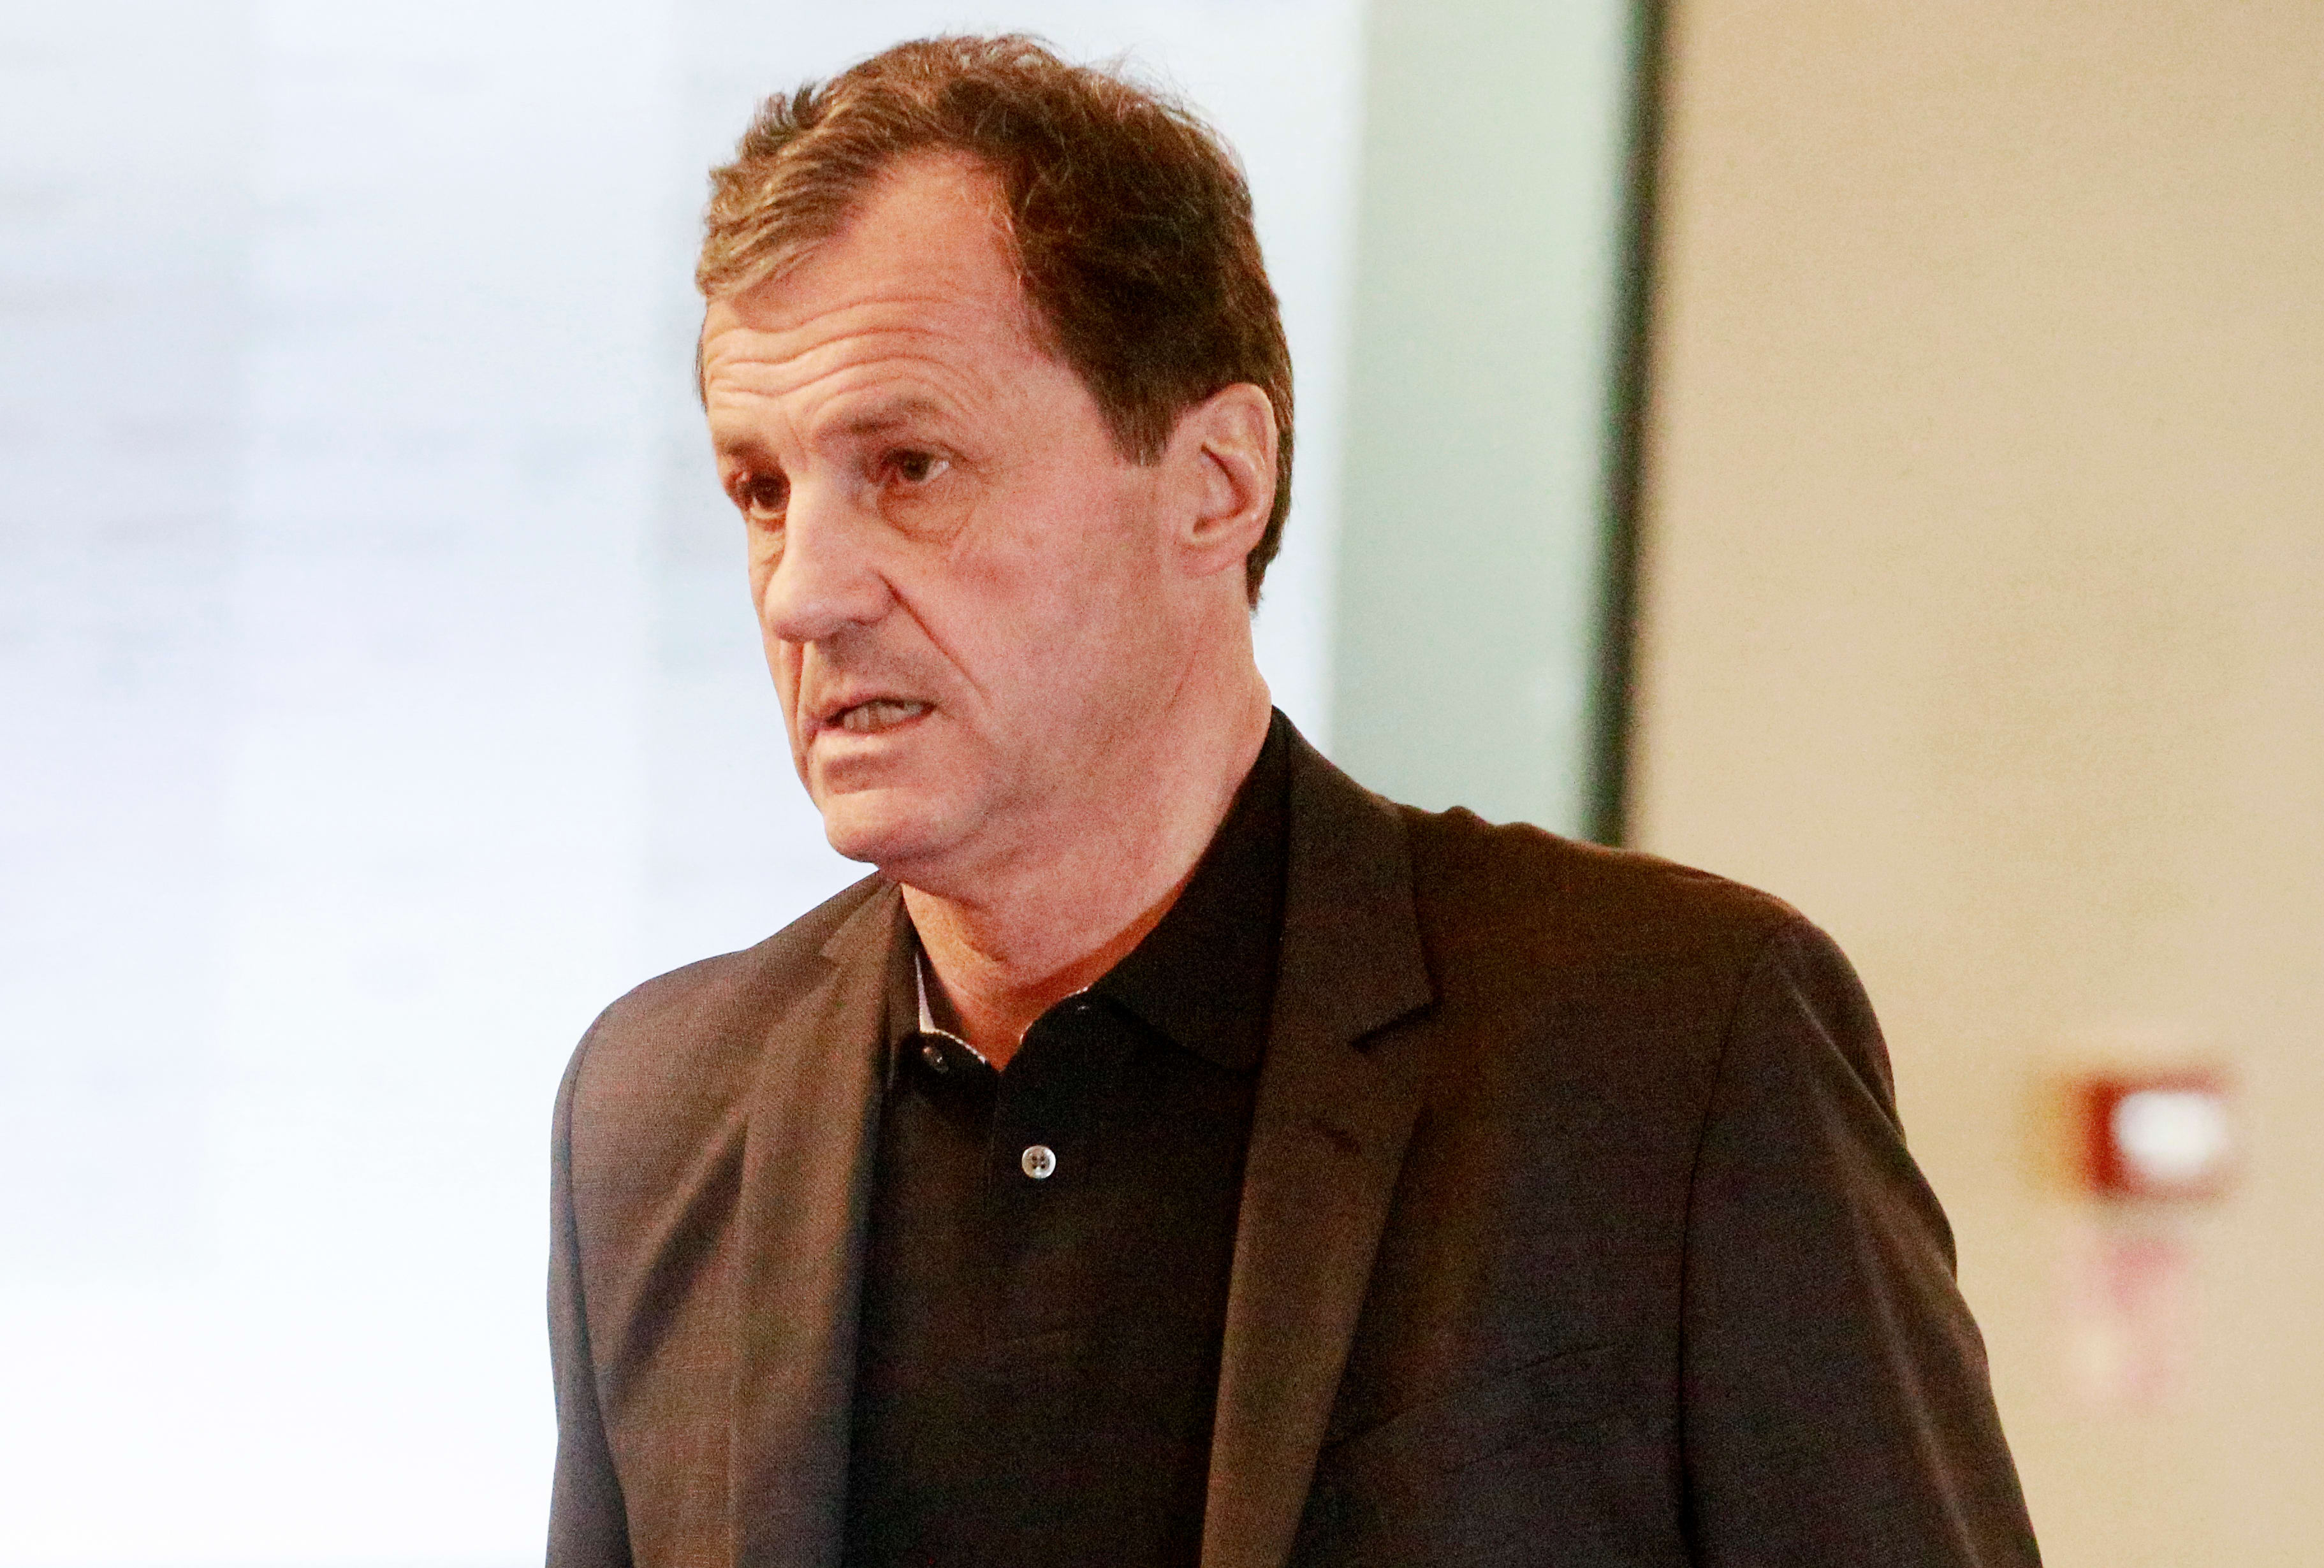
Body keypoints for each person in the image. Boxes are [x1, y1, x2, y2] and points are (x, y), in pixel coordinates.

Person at [545, 34, 2040, 1568]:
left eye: (910, 466)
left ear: (1216, 482)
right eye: (762, 490)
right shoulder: (660, 1110)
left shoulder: (1671, 1047)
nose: (802, 594)